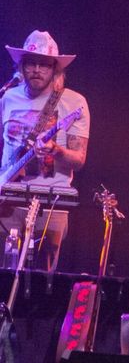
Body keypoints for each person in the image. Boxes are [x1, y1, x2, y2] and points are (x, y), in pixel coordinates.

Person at [1, 30, 90, 271]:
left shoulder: (74, 103)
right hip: (7, 199)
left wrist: (56, 151)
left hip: (51, 202)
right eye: (31, 63)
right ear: (22, 66)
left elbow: (79, 159)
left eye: (44, 64)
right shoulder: (8, 97)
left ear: (55, 69)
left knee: (41, 278)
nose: (37, 70)